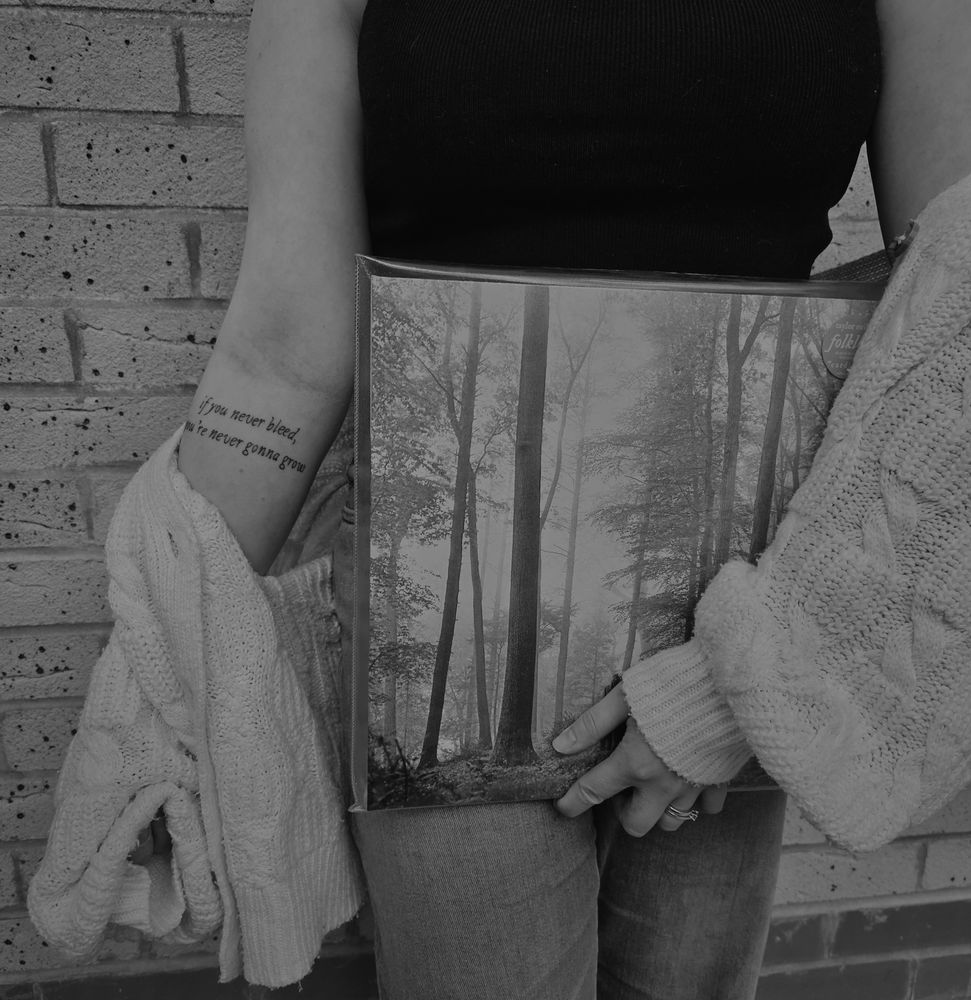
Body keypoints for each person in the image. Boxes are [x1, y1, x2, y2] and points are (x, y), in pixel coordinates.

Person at [169, 2, 971, 999]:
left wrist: (781, 658)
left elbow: (954, 312)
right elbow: (283, 343)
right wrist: (165, 638)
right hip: (440, 634)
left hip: (743, 610)